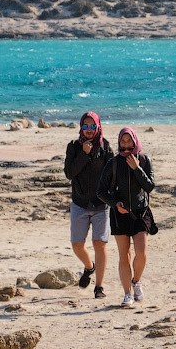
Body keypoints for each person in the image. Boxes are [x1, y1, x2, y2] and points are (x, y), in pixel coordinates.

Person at [62, 111, 113, 299]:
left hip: (101, 205)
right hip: (80, 204)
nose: (89, 130)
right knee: (77, 245)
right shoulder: (73, 147)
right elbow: (69, 173)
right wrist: (83, 154)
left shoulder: (106, 148)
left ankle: (99, 287)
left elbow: (112, 175)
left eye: (93, 126)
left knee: (99, 243)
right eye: (86, 126)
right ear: (81, 127)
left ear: (98, 126)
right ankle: (89, 267)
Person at [107, 126, 156, 307]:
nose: (126, 144)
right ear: (119, 142)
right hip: (119, 215)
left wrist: (137, 169)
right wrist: (115, 204)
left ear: (135, 141)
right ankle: (127, 294)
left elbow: (150, 186)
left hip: (140, 213)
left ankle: (136, 281)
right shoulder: (113, 163)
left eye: (129, 141)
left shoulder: (144, 160)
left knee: (141, 253)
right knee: (124, 255)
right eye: (123, 141)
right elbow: (101, 191)